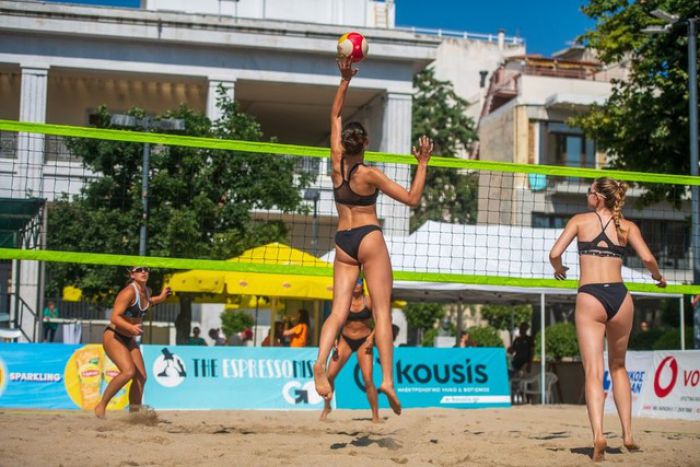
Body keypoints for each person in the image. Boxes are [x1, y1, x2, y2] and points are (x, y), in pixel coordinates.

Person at [313, 57, 433, 416]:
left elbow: (334, 116)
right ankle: (388, 381)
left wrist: (344, 80)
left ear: (344, 144)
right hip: (368, 235)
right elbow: (412, 199)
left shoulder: (336, 163)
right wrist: (423, 163)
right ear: (365, 142)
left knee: (336, 311)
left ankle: (320, 362)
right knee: (382, 313)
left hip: (342, 240)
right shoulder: (370, 173)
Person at [549, 177, 666, 461]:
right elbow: (649, 259)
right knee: (619, 367)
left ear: (598, 198)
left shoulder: (580, 221)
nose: (587, 196)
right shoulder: (627, 226)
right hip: (620, 298)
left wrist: (559, 267)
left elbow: (554, 253)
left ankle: (599, 434)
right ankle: (627, 434)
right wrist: (658, 277)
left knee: (593, 371)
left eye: (589, 192)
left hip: (590, 296)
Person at [95, 266, 171, 418]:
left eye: (146, 270)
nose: (144, 272)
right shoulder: (129, 292)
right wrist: (130, 327)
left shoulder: (147, 291)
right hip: (114, 335)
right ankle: (101, 405)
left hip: (128, 338)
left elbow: (148, 302)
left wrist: (161, 298)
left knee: (141, 376)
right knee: (128, 372)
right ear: (132, 275)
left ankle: (134, 415)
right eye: (139, 270)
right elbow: (115, 317)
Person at [321, 278, 379, 423]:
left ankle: (375, 415)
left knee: (367, 379)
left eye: (358, 283)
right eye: (353, 283)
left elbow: (380, 321)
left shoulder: (368, 300)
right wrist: (334, 337)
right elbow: (334, 320)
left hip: (363, 341)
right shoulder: (343, 301)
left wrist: (372, 337)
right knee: (329, 375)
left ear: (362, 285)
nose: (356, 286)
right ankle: (326, 408)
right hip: (345, 340)